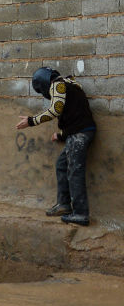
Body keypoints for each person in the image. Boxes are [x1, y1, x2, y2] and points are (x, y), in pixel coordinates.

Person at [16, 67, 97, 226]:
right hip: (79, 132)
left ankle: (80, 214)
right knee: (62, 165)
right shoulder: (69, 84)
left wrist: (31, 121)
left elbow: (55, 109)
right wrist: (60, 135)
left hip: (80, 134)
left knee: (75, 171)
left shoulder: (58, 85)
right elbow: (74, 116)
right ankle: (64, 205)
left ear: (44, 84)